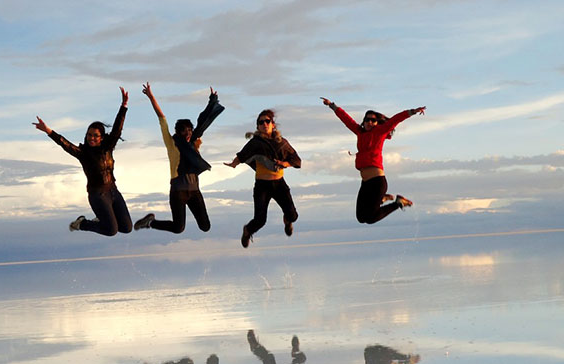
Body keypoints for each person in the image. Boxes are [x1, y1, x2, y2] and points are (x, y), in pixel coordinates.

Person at [33, 87, 133, 235]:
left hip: (113, 190)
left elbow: (117, 129)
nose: (91, 138)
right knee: (111, 231)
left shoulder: (108, 148)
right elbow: (64, 144)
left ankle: (101, 219)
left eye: (95, 135)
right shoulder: (83, 153)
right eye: (89, 135)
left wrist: (124, 106)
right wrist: (48, 131)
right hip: (98, 195)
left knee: (126, 228)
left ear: (102, 137)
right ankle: (82, 224)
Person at [133, 83, 225, 234]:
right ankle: (150, 222)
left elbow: (204, 120)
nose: (188, 133)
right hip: (178, 192)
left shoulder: (194, 143)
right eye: (184, 131)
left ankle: (150, 222)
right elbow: (162, 118)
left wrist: (212, 100)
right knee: (178, 228)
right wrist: (151, 97)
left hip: (195, 191)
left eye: (189, 130)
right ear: (178, 132)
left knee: (205, 227)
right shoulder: (172, 143)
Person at [320, 97, 425, 225]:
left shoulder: (380, 132)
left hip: (377, 182)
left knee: (370, 218)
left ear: (377, 123)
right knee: (361, 217)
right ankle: (382, 199)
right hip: (365, 183)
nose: (370, 122)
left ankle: (398, 203)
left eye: (373, 120)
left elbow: (395, 119)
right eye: (367, 120)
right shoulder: (359, 132)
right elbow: (346, 120)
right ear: (363, 122)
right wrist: (332, 106)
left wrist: (412, 111)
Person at [224, 110, 301, 248]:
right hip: (262, 185)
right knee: (260, 220)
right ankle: (247, 231)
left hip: (279, 184)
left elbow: (296, 159)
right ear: (258, 126)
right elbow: (242, 155)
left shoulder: (282, 143)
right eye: (261, 122)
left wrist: (285, 164)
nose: (264, 124)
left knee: (293, 216)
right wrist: (234, 164)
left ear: (273, 124)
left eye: (267, 121)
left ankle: (287, 220)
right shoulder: (255, 143)